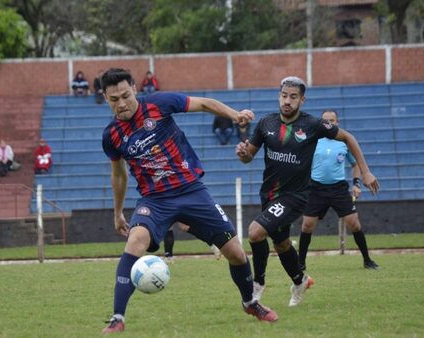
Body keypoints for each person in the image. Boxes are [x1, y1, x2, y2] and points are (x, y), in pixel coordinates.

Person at [100, 68, 277, 333]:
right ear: (105, 98)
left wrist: (234, 114)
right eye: (114, 99)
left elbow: (204, 103)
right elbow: (119, 176)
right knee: (135, 240)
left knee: (236, 253)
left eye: (125, 95)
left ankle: (250, 302)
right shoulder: (111, 135)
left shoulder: (159, 104)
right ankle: (117, 318)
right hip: (155, 200)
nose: (121, 103)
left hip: (191, 191)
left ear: (135, 88)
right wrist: (117, 213)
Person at [235, 76, 380, 307]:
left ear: (302, 99)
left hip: (296, 196)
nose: (287, 101)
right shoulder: (265, 124)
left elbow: (348, 137)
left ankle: (257, 284)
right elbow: (248, 157)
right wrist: (243, 154)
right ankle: (300, 281)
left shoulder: (312, 125)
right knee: (281, 244)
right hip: (269, 195)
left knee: (255, 232)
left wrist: (365, 171)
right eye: (284, 96)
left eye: (293, 97)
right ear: (279, 96)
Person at [298, 110, 379, 271]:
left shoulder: (344, 142)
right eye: (325, 120)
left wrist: (356, 184)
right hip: (316, 188)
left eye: (332, 120)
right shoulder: (314, 140)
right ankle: (300, 263)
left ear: (337, 123)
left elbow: (355, 164)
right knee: (307, 225)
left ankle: (367, 260)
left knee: (354, 224)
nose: (329, 123)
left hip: (338, 189)